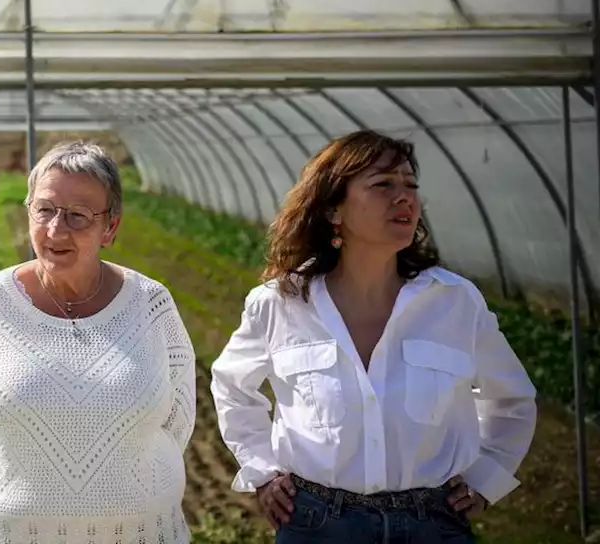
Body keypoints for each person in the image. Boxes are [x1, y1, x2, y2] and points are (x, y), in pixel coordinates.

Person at [209, 129, 537, 543]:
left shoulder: (454, 301)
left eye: (410, 185)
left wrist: (485, 477)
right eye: (383, 184)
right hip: (317, 524)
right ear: (334, 210)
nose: (405, 197)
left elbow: (511, 398)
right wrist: (261, 471)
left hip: (432, 525)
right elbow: (232, 387)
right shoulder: (280, 303)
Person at [0, 140, 197, 544]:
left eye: (77, 216)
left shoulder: (150, 304)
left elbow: (178, 419)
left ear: (111, 227)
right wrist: (4, 509)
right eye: (45, 210)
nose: (55, 229)